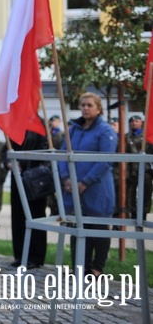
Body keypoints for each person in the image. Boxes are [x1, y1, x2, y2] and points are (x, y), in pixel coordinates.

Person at [58, 92, 117, 276]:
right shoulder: (74, 129)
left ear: (98, 109)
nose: (85, 108)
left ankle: (97, 268)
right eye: (83, 105)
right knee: (78, 227)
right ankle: (79, 266)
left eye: (89, 105)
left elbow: (105, 161)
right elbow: (62, 154)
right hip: (73, 188)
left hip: (96, 188)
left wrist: (85, 182)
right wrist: (66, 177)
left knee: (98, 229)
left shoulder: (105, 131)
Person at [6, 118, 49, 269]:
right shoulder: (15, 123)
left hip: (34, 179)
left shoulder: (40, 123)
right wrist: (9, 162)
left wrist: (26, 163)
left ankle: (35, 256)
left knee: (35, 215)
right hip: (17, 177)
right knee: (18, 216)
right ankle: (20, 254)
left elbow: (46, 150)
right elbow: (7, 149)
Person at [126, 115, 152, 221]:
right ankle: (133, 213)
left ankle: (144, 214)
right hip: (131, 170)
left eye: (137, 121)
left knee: (146, 193)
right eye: (132, 121)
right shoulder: (127, 137)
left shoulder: (147, 137)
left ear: (141, 123)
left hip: (146, 170)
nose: (134, 123)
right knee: (130, 194)